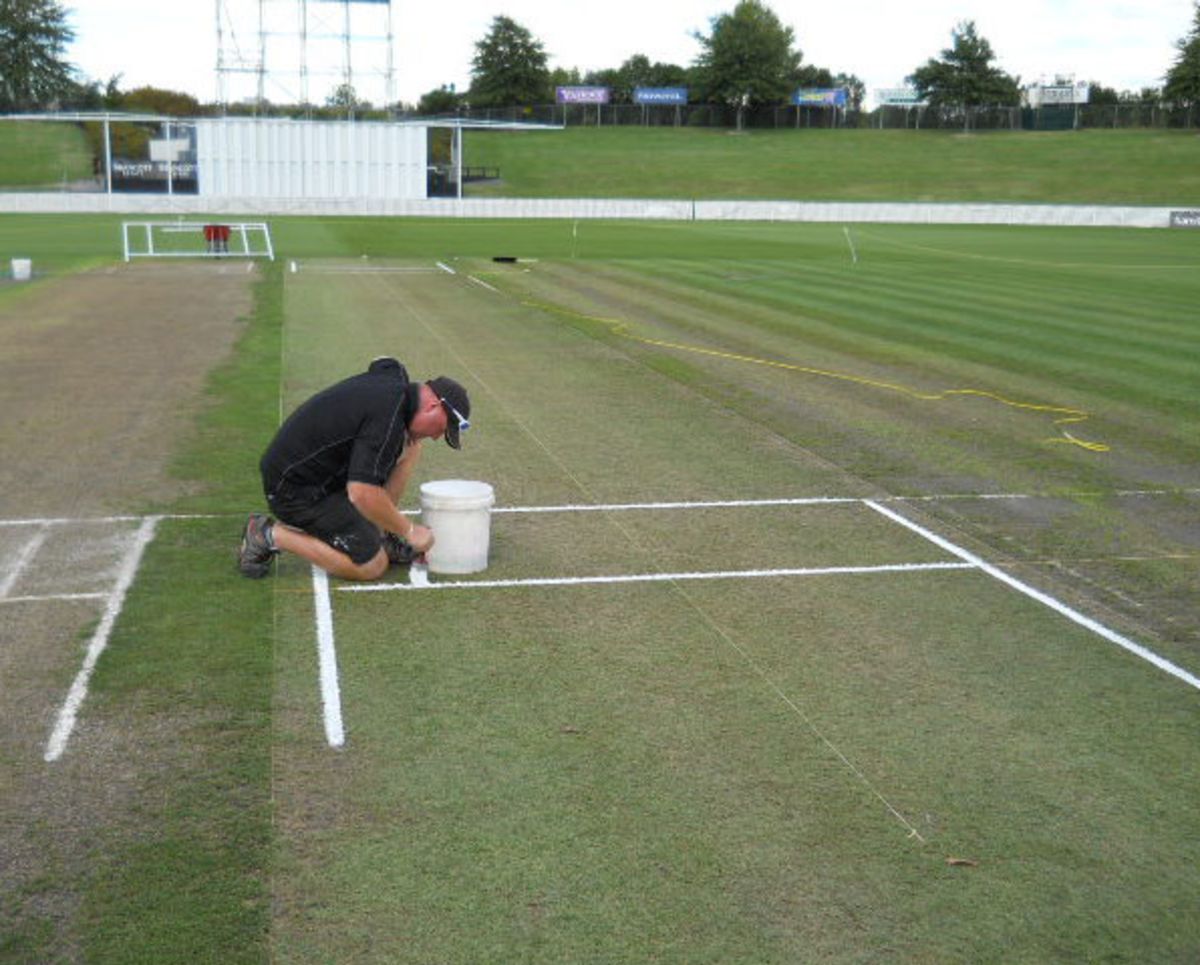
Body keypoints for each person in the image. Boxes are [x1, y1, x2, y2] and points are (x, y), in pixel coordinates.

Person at [237, 357, 470, 581]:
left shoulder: (396, 378)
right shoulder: (387, 420)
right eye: (443, 427)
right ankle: (266, 534)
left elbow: (384, 361)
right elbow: (360, 491)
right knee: (372, 565)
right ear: (433, 405)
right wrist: (410, 531)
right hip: (294, 490)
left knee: (412, 446)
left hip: (316, 472)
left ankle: (380, 534)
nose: (438, 436)